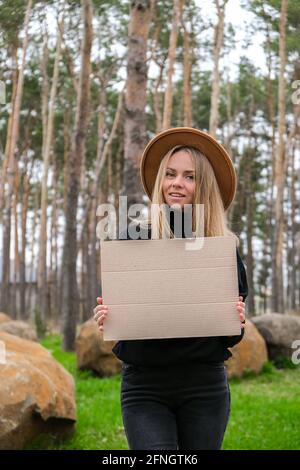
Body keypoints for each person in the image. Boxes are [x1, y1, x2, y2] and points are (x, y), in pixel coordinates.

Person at [93, 127, 248, 450]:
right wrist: (106, 314)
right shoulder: (131, 239)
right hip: (145, 386)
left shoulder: (222, 248)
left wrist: (237, 319)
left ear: (202, 186)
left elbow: (230, 336)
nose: (177, 183)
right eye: (171, 174)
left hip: (204, 386)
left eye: (189, 177)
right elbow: (120, 316)